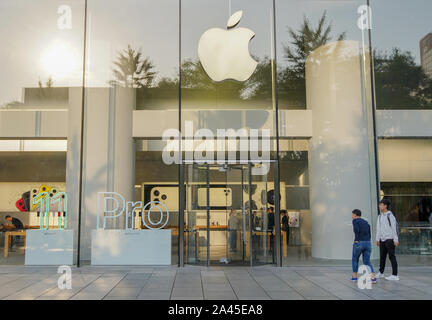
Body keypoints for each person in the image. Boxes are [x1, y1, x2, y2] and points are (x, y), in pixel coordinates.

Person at [376, 199, 399, 281]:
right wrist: (377, 239)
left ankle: (395, 275)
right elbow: (378, 229)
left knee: (392, 256)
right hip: (382, 240)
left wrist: (396, 240)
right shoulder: (380, 216)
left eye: (381, 205)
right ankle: (381, 272)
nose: (379, 206)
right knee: (382, 257)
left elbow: (394, 228)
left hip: (390, 239)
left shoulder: (390, 216)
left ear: (385, 206)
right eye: (379, 205)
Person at [350, 209, 376, 283]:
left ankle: (354, 277)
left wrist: (356, 240)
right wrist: (368, 240)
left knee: (355, 259)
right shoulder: (366, 222)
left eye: (352, 214)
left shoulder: (355, 221)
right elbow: (369, 232)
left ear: (355, 215)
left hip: (359, 242)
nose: (352, 216)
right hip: (368, 243)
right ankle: (373, 278)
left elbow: (356, 230)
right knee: (367, 261)